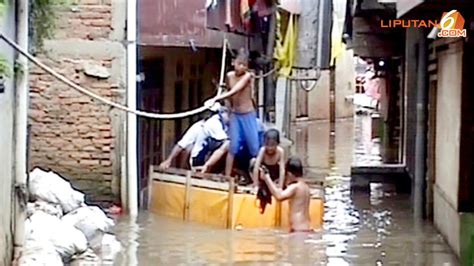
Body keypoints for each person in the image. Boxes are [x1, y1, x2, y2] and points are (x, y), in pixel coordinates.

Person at [205, 48, 261, 178]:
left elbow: (235, 90)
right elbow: (230, 96)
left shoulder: (247, 76)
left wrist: (216, 98)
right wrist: (229, 111)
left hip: (248, 115)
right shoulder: (229, 76)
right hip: (235, 115)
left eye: (244, 65)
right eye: (239, 63)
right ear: (233, 63)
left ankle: (257, 178)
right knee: (232, 147)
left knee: (254, 148)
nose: (241, 67)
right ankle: (227, 177)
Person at [159, 103, 222, 169]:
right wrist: (169, 160)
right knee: (189, 148)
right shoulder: (198, 127)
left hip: (216, 163)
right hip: (200, 162)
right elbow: (181, 144)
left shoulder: (223, 126)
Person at [259, 156, 312, 232]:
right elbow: (281, 191)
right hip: (306, 228)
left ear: (289, 174)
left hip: (298, 229)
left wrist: (267, 178)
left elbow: (279, 196)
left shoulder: (295, 187)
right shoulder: (305, 187)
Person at [190, 106, 230, 171]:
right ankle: (207, 166)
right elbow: (225, 143)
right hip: (200, 158)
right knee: (228, 144)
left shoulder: (225, 124)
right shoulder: (214, 123)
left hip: (209, 153)